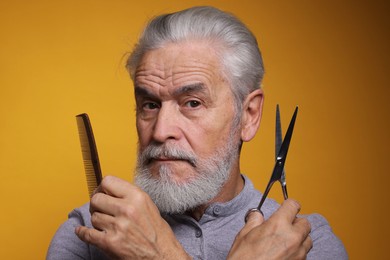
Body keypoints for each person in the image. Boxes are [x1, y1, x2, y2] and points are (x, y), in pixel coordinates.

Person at [47, 6, 347, 259]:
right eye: (150, 104)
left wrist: (161, 254)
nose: (161, 131)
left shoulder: (303, 243)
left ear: (249, 115)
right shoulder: (85, 236)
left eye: (192, 103)